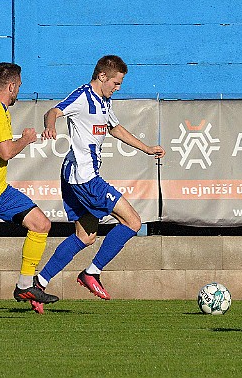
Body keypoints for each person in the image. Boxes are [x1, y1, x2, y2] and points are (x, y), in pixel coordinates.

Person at [35, 55, 165, 311]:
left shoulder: (104, 101)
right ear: (102, 76)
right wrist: (50, 126)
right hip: (85, 178)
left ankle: (38, 284)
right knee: (133, 221)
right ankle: (92, 273)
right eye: (115, 83)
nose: (117, 88)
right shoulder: (82, 96)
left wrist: (147, 148)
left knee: (85, 236)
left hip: (76, 175)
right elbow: (53, 111)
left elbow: (115, 128)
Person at [0, 62, 59, 313]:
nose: (19, 91)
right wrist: (26, 139)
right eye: (19, 86)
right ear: (11, 86)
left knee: (41, 224)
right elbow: (6, 151)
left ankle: (25, 284)